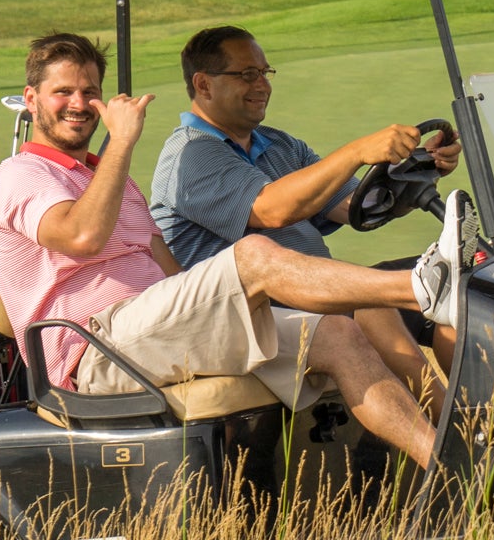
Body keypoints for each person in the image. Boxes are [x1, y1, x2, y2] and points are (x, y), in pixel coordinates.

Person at [0, 31, 467, 469]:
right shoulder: (22, 176)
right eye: (63, 92)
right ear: (31, 100)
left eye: (90, 91)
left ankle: (458, 470)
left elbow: (165, 269)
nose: (80, 103)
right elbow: (81, 237)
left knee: (340, 334)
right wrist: (123, 140)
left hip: (152, 330)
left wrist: (420, 168)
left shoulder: (110, 181)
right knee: (254, 253)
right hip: (93, 348)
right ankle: (420, 288)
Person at [150, 24, 460, 408]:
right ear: (203, 84)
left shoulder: (279, 144)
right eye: (247, 74)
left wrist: (418, 170)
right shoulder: (192, 155)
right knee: (376, 301)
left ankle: (481, 416)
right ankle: (456, 431)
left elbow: (356, 207)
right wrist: (357, 152)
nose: (262, 85)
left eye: (265, 73)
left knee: (453, 297)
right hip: (247, 314)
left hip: (310, 294)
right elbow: (273, 209)